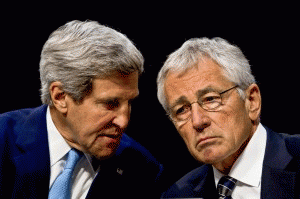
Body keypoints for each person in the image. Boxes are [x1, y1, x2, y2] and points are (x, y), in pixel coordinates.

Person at [0, 20, 163, 199]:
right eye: (110, 104)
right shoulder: (3, 140)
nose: (123, 121)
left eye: (130, 103)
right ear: (60, 97)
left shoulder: (142, 170)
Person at [157, 37, 300, 198]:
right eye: (181, 110)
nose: (197, 121)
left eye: (211, 99)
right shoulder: (178, 195)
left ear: (251, 101)